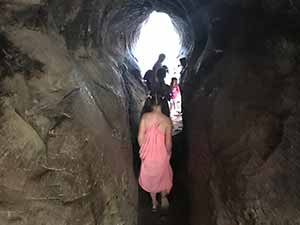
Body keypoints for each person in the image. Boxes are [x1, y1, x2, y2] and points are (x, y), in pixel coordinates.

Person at [138, 94, 173, 211]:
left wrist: (144, 150)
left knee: (151, 179)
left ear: (150, 104)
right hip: (161, 155)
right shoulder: (167, 120)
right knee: (164, 176)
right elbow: (168, 143)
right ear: (163, 105)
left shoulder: (145, 117)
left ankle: (153, 203)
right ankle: (163, 198)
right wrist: (168, 154)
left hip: (148, 155)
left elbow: (140, 138)